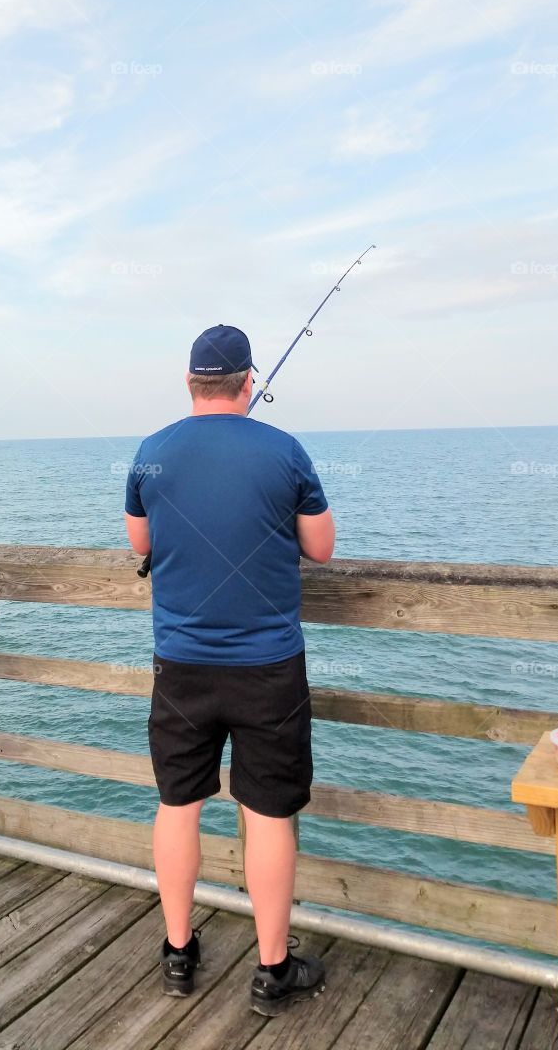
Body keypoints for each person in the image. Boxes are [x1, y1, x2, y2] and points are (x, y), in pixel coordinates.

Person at [124, 325, 335, 1016]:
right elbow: (322, 547)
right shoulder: (283, 450)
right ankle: (272, 970)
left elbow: (139, 540)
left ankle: (177, 952)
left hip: (181, 666)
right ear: (250, 382)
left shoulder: (152, 452)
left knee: (177, 804)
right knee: (268, 814)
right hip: (267, 669)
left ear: (189, 383)